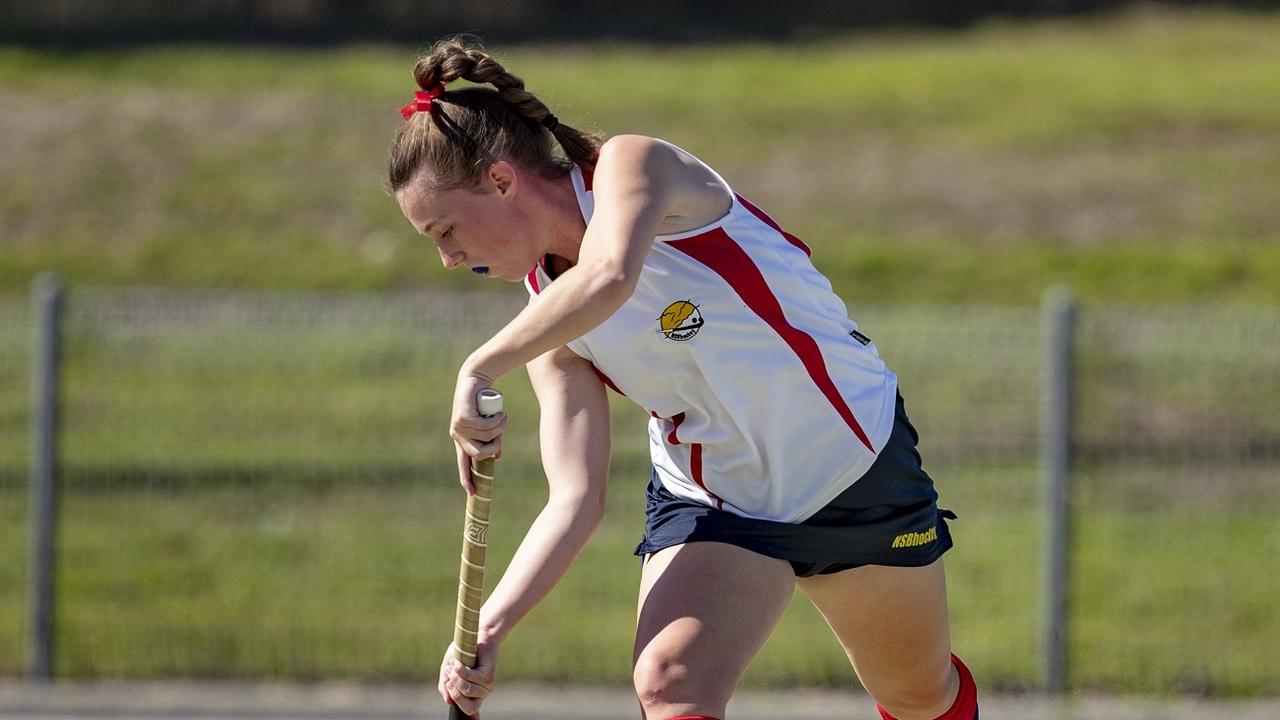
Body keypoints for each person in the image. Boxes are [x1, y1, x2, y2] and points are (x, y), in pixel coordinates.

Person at [388, 37, 980, 720]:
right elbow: (574, 499)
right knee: (670, 684)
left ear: (500, 181)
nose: (448, 258)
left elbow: (610, 275)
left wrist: (479, 364)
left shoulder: (635, 166)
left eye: (446, 230)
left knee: (919, 697)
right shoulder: (548, 325)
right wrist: (491, 624)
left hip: (852, 469)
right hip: (717, 503)